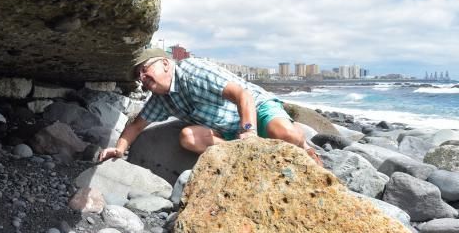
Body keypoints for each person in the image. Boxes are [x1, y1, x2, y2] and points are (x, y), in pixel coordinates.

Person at [98, 48, 323, 165]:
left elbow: (242, 94)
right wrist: (119, 149)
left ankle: (304, 145)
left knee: (285, 135)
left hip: (255, 109)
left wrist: (249, 131)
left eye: (145, 69)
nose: (142, 77)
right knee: (188, 137)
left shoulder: (194, 71)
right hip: (225, 129)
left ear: (166, 63)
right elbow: (136, 126)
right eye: (139, 76)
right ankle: (241, 156)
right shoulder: (161, 98)